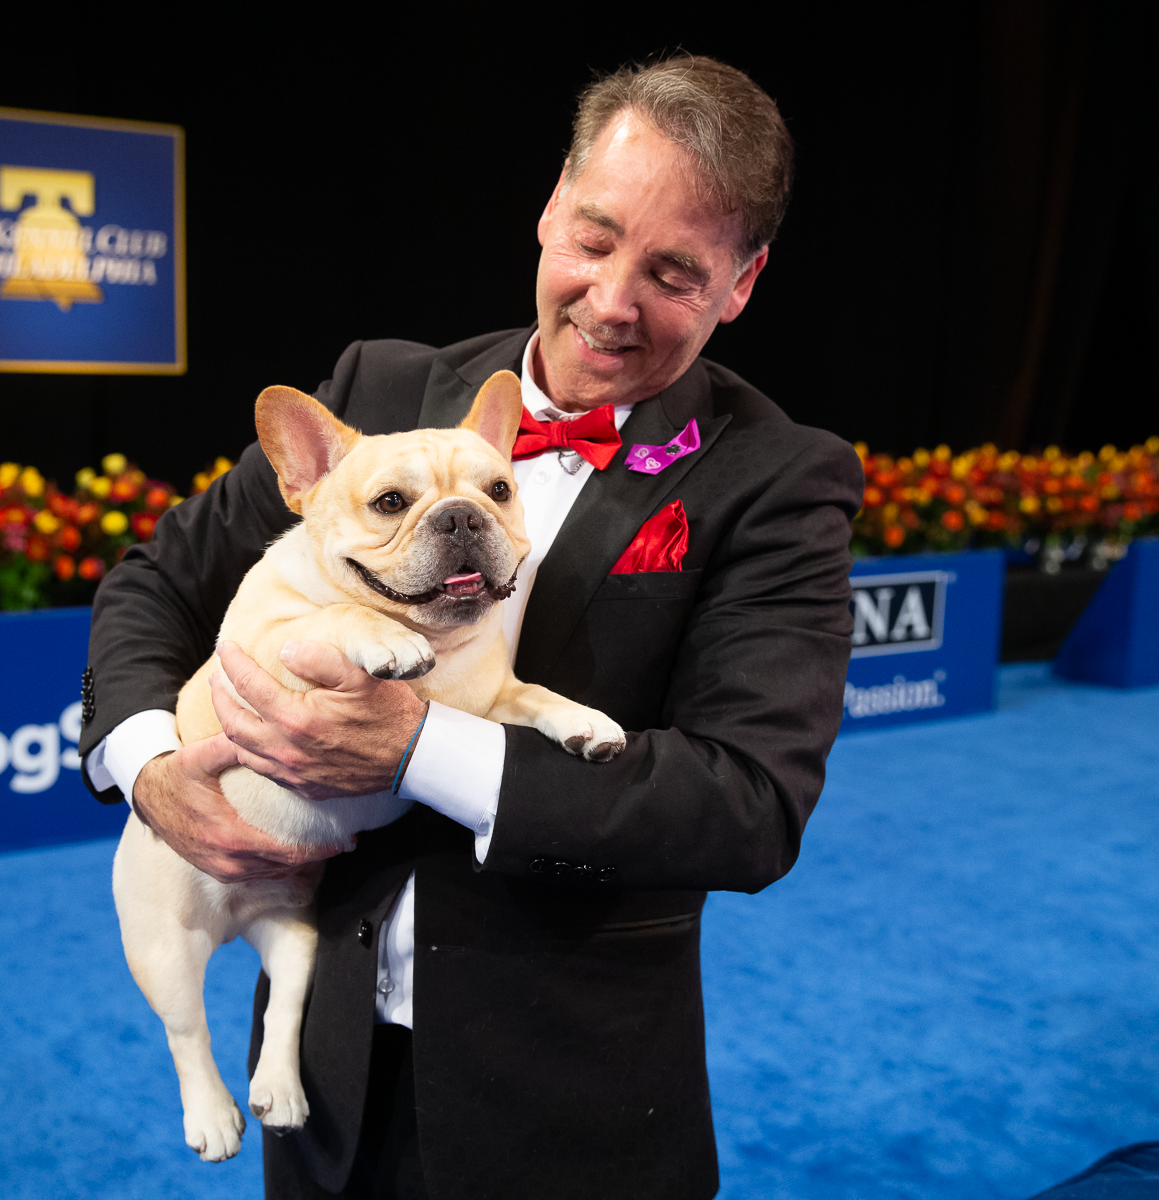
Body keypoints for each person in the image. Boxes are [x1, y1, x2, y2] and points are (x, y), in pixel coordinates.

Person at [79, 54, 862, 1200]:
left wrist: (420, 750)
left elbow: (746, 805)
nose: (612, 299)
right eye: (594, 239)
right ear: (550, 206)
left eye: (675, 272)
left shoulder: (779, 477)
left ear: (742, 283)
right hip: (323, 1059)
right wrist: (150, 767)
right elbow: (155, 583)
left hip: (564, 1088)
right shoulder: (380, 391)